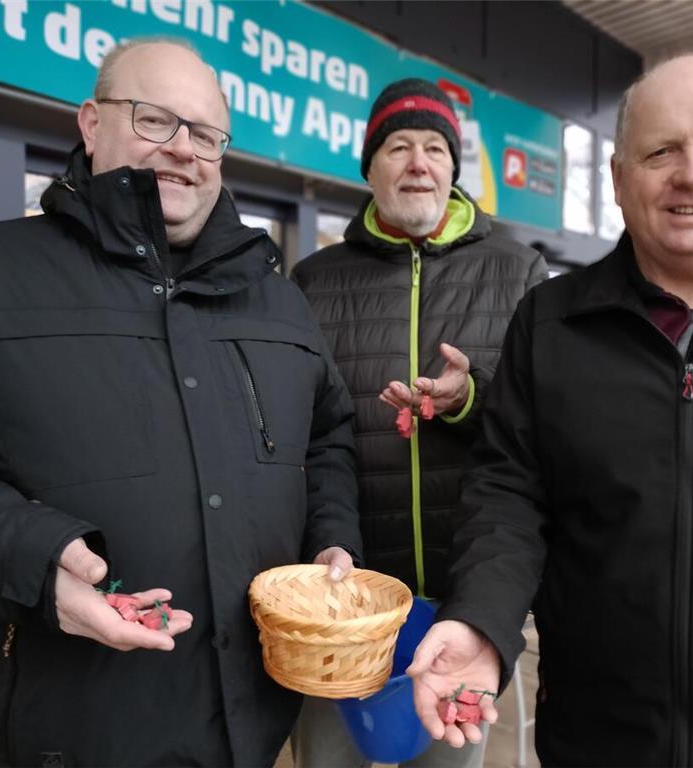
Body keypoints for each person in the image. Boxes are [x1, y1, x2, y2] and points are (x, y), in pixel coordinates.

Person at [0, 38, 361, 767]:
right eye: (155, 120)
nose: (185, 149)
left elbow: (328, 436)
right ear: (91, 123)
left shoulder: (278, 302)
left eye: (208, 135)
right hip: (67, 737)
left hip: (251, 733)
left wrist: (331, 540)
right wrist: (29, 560)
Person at [408, 52, 693, 765]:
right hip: (599, 740)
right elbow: (507, 494)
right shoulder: (552, 321)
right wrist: (484, 623)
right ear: (621, 179)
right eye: (662, 151)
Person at [291, 78, 547, 767]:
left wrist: (468, 400)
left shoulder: (518, 273)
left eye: (435, 147)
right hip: (343, 602)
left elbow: (546, 427)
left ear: (454, 167)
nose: (418, 162)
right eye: (398, 146)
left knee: (447, 756)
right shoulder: (313, 281)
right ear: (368, 166)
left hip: (461, 599)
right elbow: (296, 434)